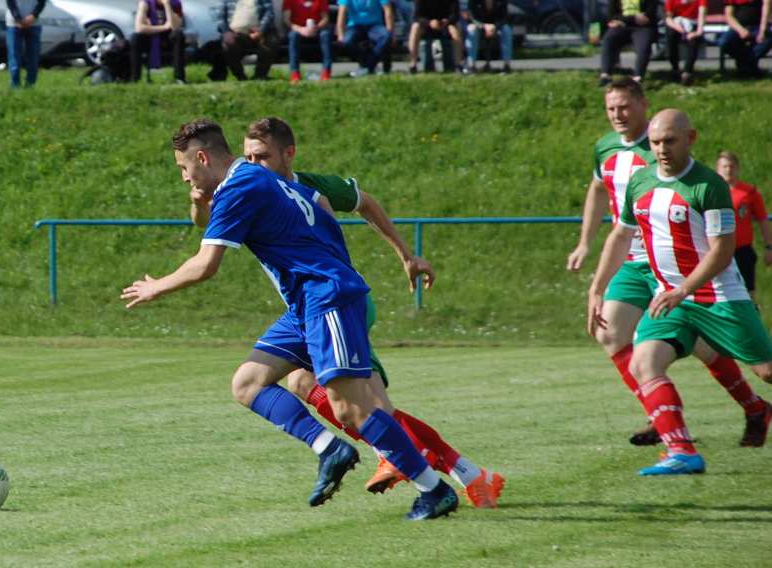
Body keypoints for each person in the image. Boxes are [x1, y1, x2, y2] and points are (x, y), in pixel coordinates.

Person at [121, 119, 460, 520]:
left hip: (327, 297)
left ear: (201, 157)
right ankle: (329, 449)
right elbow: (316, 211)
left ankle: (434, 489)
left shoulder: (240, 187)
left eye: (183, 168)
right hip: (306, 303)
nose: (184, 177)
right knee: (248, 383)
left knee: (352, 409)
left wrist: (157, 286)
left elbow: (205, 265)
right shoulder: (258, 179)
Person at [228, 117, 505, 506]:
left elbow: (366, 202)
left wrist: (406, 255)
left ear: (288, 154)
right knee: (304, 386)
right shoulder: (251, 190)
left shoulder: (309, 185)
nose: (255, 166)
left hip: (337, 303)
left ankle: (445, 471)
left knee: (370, 408)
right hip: (311, 308)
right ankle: (459, 472)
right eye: (248, 158)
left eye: (263, 157)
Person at [567, 79, 771, 449]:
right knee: (610, 333)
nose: (618, 115)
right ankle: (662, 418)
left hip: (679, 267)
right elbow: (599, 192)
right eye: (611, 108)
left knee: (707, 349)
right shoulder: (605, 147)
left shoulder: (665, 150)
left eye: (625, 107)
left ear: (644, 106)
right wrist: (585, 244)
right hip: (634, 262)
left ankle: (753, 407)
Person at [716, 151, 772, 302]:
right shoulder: (712, 192)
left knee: (748, 291)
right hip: (718, 250)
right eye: (724, 166)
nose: (728, 170)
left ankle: (751, 321)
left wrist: (769, 247)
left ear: (738, 168)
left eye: (732, 166)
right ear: (717, 169)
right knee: (721, 292)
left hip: (742, 250)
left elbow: (762, 219)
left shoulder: (749, 192)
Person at [598, 0, 657, 85]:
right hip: (621, 26)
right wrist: (633, 18)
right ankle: (605, 75)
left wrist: (622, 19)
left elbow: (649, 16)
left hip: (642, 27)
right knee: (608, 39)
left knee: (643, 46)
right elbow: (611, 16)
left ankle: (638, 77)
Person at [218, 0, 278, 80]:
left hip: (259, 33)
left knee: (272, 41)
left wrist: (260, 30)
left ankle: (260, 75)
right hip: (235, 33)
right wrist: (226, 32)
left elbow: (269, 13)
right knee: (228, 43)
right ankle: (240, 76)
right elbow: (220, 17)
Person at [131, 0, 185, 84]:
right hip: (151, 35)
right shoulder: (145, 3)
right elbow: (139, 28)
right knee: (135, 38)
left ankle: (179, 78)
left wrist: (167, 5)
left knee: (178, 35)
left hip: (168, 37)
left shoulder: (176, 4)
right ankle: (135, 79)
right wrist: (164, 27)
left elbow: (174, 26)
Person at [337, 0, 393, 76]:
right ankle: (367, 64)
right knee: (346, 41)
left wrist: (390, 31)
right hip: (355, 26)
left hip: (375, 25)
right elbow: (342, 13)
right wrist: (340, 34)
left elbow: (387, 10)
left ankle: (368, 66)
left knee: (386, 36)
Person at [283, 0, 332, 83]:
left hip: (316, 29)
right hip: (297, 29)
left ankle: (326, 72)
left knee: (325, 35)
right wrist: (301, 29)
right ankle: (295, 73)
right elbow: (286, 20)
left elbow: (325, 18)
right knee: (293, 36)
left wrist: (316, 28)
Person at [720, 0, 772, 77]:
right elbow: (729, 16)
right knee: (724, 42)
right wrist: (741, 30)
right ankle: (749, 66)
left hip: (758, 27)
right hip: (738, 28)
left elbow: (767, 6)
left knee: (768, 39)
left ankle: (745, 66)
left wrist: (762, 30)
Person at [408, 0, 462, 73]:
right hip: (427, 25)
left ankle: (458, 65)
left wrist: (447, 21)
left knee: (456, 29)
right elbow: (417, 17)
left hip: (445, 25)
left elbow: (456, 15)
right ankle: (413, 64)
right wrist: (429, 22)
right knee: (415, 27)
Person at [462, 0, 513, 74]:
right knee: (472, 30)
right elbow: (472, 17)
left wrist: (495, 26)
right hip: (478, 25)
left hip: (496, 26)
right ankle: (471, 66)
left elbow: (504, 17)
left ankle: (506, 65)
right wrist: (484, 26)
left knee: (507, 30)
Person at [664, 0, 706, 85]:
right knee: (671, 35)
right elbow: (668, 19)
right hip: (676, 24)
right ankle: (675, 69)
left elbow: (701, 16)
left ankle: (687, 72)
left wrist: (698, 32)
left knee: (693, 40)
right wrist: (681, 30)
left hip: (693, 23)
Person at [5, 0, 46, 88]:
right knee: (14, 57)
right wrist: (17, 18)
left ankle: (30, 85)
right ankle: (15, 86)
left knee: (33, 57)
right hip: (14, 24)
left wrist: (33, 15)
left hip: (34, 23)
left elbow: (42, 2)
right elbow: (10, 2)